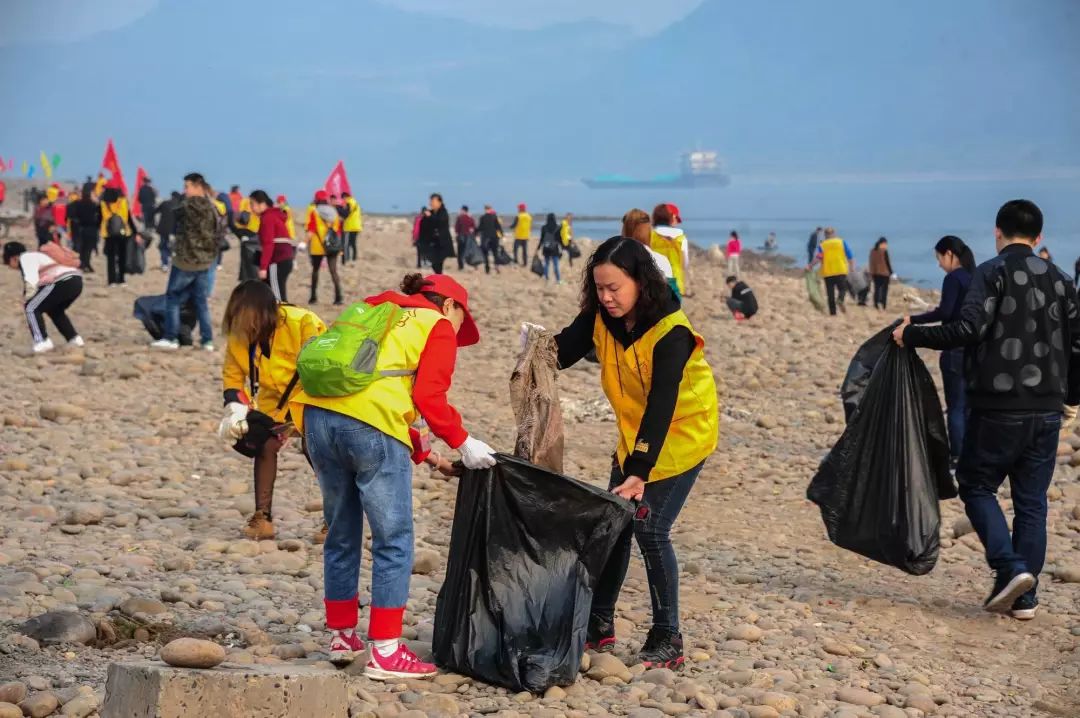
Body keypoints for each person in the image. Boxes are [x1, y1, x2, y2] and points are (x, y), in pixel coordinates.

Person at [290, 272, 497, 675]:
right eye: (461, 320)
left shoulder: (373, 308)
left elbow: (379, 389)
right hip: (369, 427)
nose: (457, 332)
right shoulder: (434, 324)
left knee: (341, 531)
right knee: (393, 538)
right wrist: (465, 442)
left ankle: (342, 634)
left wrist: (429, 457)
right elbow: (425, 397)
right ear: (450, 305)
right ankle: (385, 650)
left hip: (317, 420)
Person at [535, 237, 718, 668]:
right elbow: (563, 351)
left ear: (640, 282)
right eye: (599, 288)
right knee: (614, 525)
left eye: (615, 287)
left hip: (682, 433)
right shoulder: (602, 316)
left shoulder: (671, 332)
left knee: (649, 530)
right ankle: (598, 625)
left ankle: (667, 636)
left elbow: (661, 403)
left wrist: (638, 470)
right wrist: (534, 353)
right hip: (636, 434)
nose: (606, 297)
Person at [895, 200, 1080, 620]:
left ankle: (1010, 567)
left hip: (998, 405)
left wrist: (912, 334)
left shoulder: (991, 272)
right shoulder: (1062, 280)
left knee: (977, 485)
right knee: (1032, 502)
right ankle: (1025, 600)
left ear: (998, 233)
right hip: (1048, 407)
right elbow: (1078, 344)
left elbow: (968, 329)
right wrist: (1072, 398)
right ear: (1039, 238)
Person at [217, 281, 327, 540]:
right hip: (271, 402)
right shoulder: (239, 334)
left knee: (315, 450)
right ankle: (262, 518)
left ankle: (336, 520)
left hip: (313, 396)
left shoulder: (303, 322)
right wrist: (234, 409)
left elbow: (323, 367)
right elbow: (232, 377)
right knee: (264, 446)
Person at [905, 235, 975, 467]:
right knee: (967, 405)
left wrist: (913, 320)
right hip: (973, 349)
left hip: (954, 348)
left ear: (949, 254)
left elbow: (944, 313)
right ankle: (969, 453)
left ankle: (957, 455)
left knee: (955, 405)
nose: (938, 264)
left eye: (939, 258)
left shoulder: (953, 278)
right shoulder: (973, 277)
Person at [151, 173, 218, 351]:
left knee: (173, 298)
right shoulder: (212, 208)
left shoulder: (186, 205)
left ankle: (170, 337)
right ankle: (207, 340)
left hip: (185, 261)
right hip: (204, 262)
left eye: (187, 186)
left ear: (197, 187)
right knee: (201, 302)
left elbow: (176, 214)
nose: (185, 190)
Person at [4, 240, 84, 353]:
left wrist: (27, 299)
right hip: (76, 280)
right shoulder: (38, 256)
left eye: (8, 263)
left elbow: (31, 281)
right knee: (55, 310)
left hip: (61, 281)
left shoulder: (26, 258)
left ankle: (42, 341)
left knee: (31, 308)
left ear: (14, 258)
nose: (10, 267)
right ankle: (74, 339)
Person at [622, 208, 678, 301]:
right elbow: (672, 296)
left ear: (624, 229)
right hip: (656, 312)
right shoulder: (661, 259)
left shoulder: (615, 258)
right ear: (648, 231)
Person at [249, 191, 295, 302]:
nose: (251, 208)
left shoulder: (267, 218)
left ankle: (282, 318)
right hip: (286, 258)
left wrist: (263, 267)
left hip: (277, 260)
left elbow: (268, 244)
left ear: (262, 204)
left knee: (277, 297)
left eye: (252, 204)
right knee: (277, 293)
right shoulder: (274, 215)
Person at [305, 190, 344, 305]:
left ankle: (313, 297)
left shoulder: (314, 212)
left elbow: (311, 229)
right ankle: (338, 298)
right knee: (333, 272)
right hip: (332, 245)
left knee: (315, 271)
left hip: (318, 246)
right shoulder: (334, 212)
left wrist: (303, 243)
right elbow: (338, 230)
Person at [808, 227, 853, 316]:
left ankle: (833, 313)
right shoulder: (841, 242)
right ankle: (840, 299)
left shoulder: (823, 245)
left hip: (828, 272)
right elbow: (849, 255)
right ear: (834, 234)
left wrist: (810, 265)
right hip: (840, 270)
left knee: (830, 293)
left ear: (825, 235)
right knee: (843, 289)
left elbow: (818, 258)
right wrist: (851, 267)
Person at [100, 185, 139, 287]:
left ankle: (111, 281)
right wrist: (136, 233)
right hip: (123, 234)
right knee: (122, 257)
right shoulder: (123, 203)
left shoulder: (103, 205)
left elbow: (98, 220)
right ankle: (121, 279)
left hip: (108, 235)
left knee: (111, 258)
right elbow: (129, 219)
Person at [650, 204, 691, 298]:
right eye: (677, 218)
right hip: (675, 282)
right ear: (672, 217)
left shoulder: (650, 236)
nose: (677, 222)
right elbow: (684, 263)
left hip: (654, 282)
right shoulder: (681, 238)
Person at [67, 186, 101, 272]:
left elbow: (69, 214)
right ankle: (86, 264)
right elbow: (100, 217)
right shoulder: (94, 205)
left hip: (80, 229)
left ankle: (82, 264)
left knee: (81, 248)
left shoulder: (76, 204)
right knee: (88, 249)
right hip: (90, 230)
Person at [418, 193, 452, 275]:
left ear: (439, 202)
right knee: (433, 263)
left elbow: (440, 222)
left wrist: (430, 217)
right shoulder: (431, 212)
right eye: (430, 201)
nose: (431, 203)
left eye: (433, 201)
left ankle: (440, 279)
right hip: (432, 243)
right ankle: (439, 278)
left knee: (438, 263)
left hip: (442, 243)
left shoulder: (443, 212)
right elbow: (424, 226)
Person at [235, 194, 262, 282]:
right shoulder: (257, 203)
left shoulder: (245, 201)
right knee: (254, 261)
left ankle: (247, 279)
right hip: (254, 232)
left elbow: (242, 218)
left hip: (247, 232)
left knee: (247, 261)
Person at [155, 191, 181, 271]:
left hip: (163, 229)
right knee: (173, 247)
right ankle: (171, 259)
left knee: (163, 246)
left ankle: (164, 264)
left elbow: (155, 211)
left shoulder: (165, 203)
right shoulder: (180, 205)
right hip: (174, 230)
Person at [476, 205, 504, 275]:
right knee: (495, 253)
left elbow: (480, 227)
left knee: (485, 254)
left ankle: (487, 268)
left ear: (485, 209)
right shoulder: (494, 217)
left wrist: (475, 232)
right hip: (494, 237)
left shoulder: (482, 217)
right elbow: (498, 227)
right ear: (491, 209)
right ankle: (496, 266)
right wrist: (502, 235)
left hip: (485, 238)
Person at [869, 237, 893, 310]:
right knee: (884, 290)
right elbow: (887, 263)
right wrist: (891, 272)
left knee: (876, 289)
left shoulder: (872, 251)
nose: (886, 245)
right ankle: (883, 305)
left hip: (875, 273)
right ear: (882, 244)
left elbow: (871, 262)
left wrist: (872, 272)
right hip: (884, 273)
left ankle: (876, 304)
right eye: (885, 244)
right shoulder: (884, 251)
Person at [538, 213, 563, 283]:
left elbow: (541, 239)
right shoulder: (558, 227)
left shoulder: (544, 227)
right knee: (556, 265)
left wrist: (538, 247)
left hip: (546, 248)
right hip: (554, 248)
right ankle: (558, 279)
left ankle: (546, 278)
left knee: (546, 264)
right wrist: (563, 246)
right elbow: (559, 239)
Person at [341, 192, 363, 265]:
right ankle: (354, 259)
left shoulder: (349, 203)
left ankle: (347, 260)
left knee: (346, 244)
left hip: (350, 226)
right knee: (353, 243)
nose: (343, 200)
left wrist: (340, 209)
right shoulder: (355, 202)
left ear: (345, 197)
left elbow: (346, 213)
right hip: (356, 226)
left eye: (343, 199)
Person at [454, 205, 476, 271]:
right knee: (468, 251)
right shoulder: (470, 218)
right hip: (468, 237)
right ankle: (471, 264)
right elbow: (473, 227)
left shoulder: (460, 218)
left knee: (460, 252)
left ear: (463, 210)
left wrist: (457, 233)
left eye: (461, 210)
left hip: (461, 236)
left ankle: (461, 266)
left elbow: (456, 228)